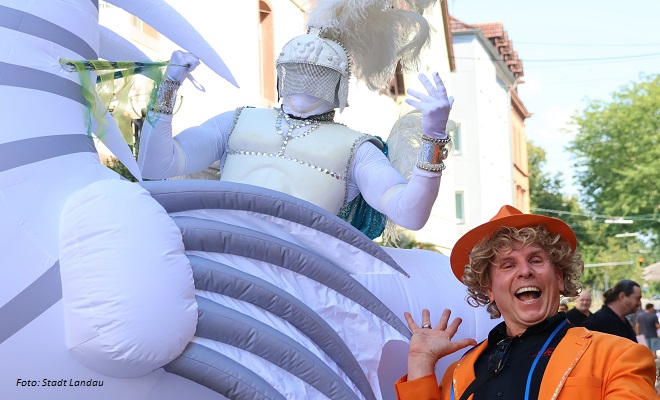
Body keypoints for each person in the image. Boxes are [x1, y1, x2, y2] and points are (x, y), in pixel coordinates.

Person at [137, 4, 453, 240]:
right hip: (221, 257)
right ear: (281, 75)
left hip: (299, 277)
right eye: (297, 71)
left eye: (318, 75)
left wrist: (433, 138)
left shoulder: (358, 149)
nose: (306, 81)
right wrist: (168, 87)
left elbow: (409, 213)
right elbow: (156, 165)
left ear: (340, 86)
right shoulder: (235, 122)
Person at [394, 205, 657, 399]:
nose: (525, 271)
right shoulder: (459, 372)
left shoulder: (619, 355)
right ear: (489, 289)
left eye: (536, 260)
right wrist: (420, 361)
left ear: (560, 277)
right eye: (508, 265)